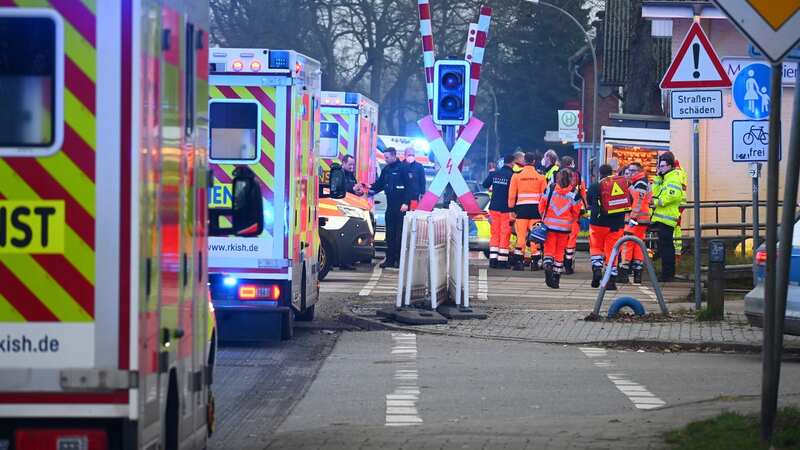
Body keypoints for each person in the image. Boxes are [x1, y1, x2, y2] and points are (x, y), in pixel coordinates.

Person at [539, 169, 583, 289]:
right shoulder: (574, 193)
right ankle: (556, 277)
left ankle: (548, 265)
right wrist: (570, 220)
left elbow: (541, 205)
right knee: (560, 251)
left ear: (558, 178)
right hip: (564, 228)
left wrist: (544, 217)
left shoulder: (551, 188)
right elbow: (576, 211)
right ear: (570, 179)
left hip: (549, 225)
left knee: (549, 249)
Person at [587, 164, 627, 290]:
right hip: (617, 225)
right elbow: (628, 200)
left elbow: (589, 201)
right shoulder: (621, 185)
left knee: (596, 247)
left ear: (600, 173)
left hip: (598, 223)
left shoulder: (594, 186)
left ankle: (597, 268)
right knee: (612, 251)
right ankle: (611, 280)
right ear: (612, 172)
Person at [369, 147, 409, 269]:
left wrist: (406, 203)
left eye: (387, 157)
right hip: (390, 206)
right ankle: (390, 259)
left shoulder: (403, 168)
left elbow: (409, 187)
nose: (385, 159)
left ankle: (399, 260)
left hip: (401, 207)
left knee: (399, 235)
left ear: (393, 155)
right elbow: (380, 184)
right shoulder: (386, 170)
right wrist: (368, 189)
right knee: (389, 234)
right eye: (384, 157)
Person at [508, 152, 548, 271]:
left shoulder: (516, 176)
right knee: (535, 236)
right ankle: (535, 263)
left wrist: (511, 209)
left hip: (521, 210)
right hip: (536, 210)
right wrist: (542, 211)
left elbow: (511, 195)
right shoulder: (541, 177)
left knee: (521, 237)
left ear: (524, 161)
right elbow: (544, 196)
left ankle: (519, 263)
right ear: (534, 162)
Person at [651, 152, 685, 282]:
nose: (661, 168)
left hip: (668, 218)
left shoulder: (673, 178)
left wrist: (656, 202)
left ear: (670, 166)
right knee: (664, 246)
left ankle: (667, 274)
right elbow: (655, 192)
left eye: (663, 166)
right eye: (659, 166)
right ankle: (666, 273)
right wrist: (658, 178)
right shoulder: (665, 178)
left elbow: (673, 196)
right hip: (662, 218)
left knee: (667, 247)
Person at [618, 162, 651, 284]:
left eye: (632, 171)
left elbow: (638, 202)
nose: (630, 173)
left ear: (639, 171)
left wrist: (632, 218)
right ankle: (638, 272)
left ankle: (624, 272)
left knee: (627, 244)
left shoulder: (640, 183)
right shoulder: (642, 182)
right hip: (642, 219)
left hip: (635, 219)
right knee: (638, 245)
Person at [482, 154, 516, 268]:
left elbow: (485, 184)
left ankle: (493, 260)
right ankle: (502, 261)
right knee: (505, 233)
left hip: (494, 207)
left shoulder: (494, 173)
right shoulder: (512, 176)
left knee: (495, 233)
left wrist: (491, 173)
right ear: (512, 163)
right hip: (506, 208)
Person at [559, 156, 587, 275]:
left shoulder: (556, 174)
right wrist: (584, 208)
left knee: (559, 239)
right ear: (571, 163)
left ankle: (557, 263)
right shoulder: (578, 176)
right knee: (571, 238)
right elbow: (582, 192)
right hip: (573, 211)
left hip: (558, 211)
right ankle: (568, 263)